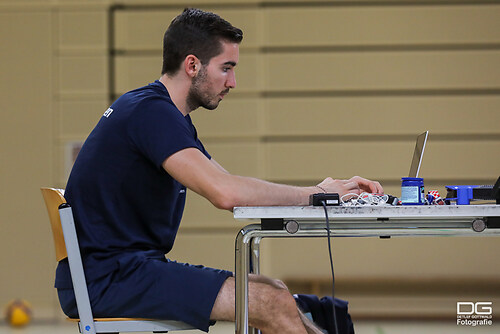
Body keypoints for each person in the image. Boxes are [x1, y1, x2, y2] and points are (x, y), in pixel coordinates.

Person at [55, 8, 383, 334]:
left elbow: (230, 184)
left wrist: (318, 188)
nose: (233, 82)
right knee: (270, 302)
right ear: (192, 65)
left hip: (123, 271)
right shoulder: (151, 114)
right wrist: (318, 195)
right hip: (109, 279)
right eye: (226, 68)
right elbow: (225, 194)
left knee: (278, 292)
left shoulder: (162, 113)